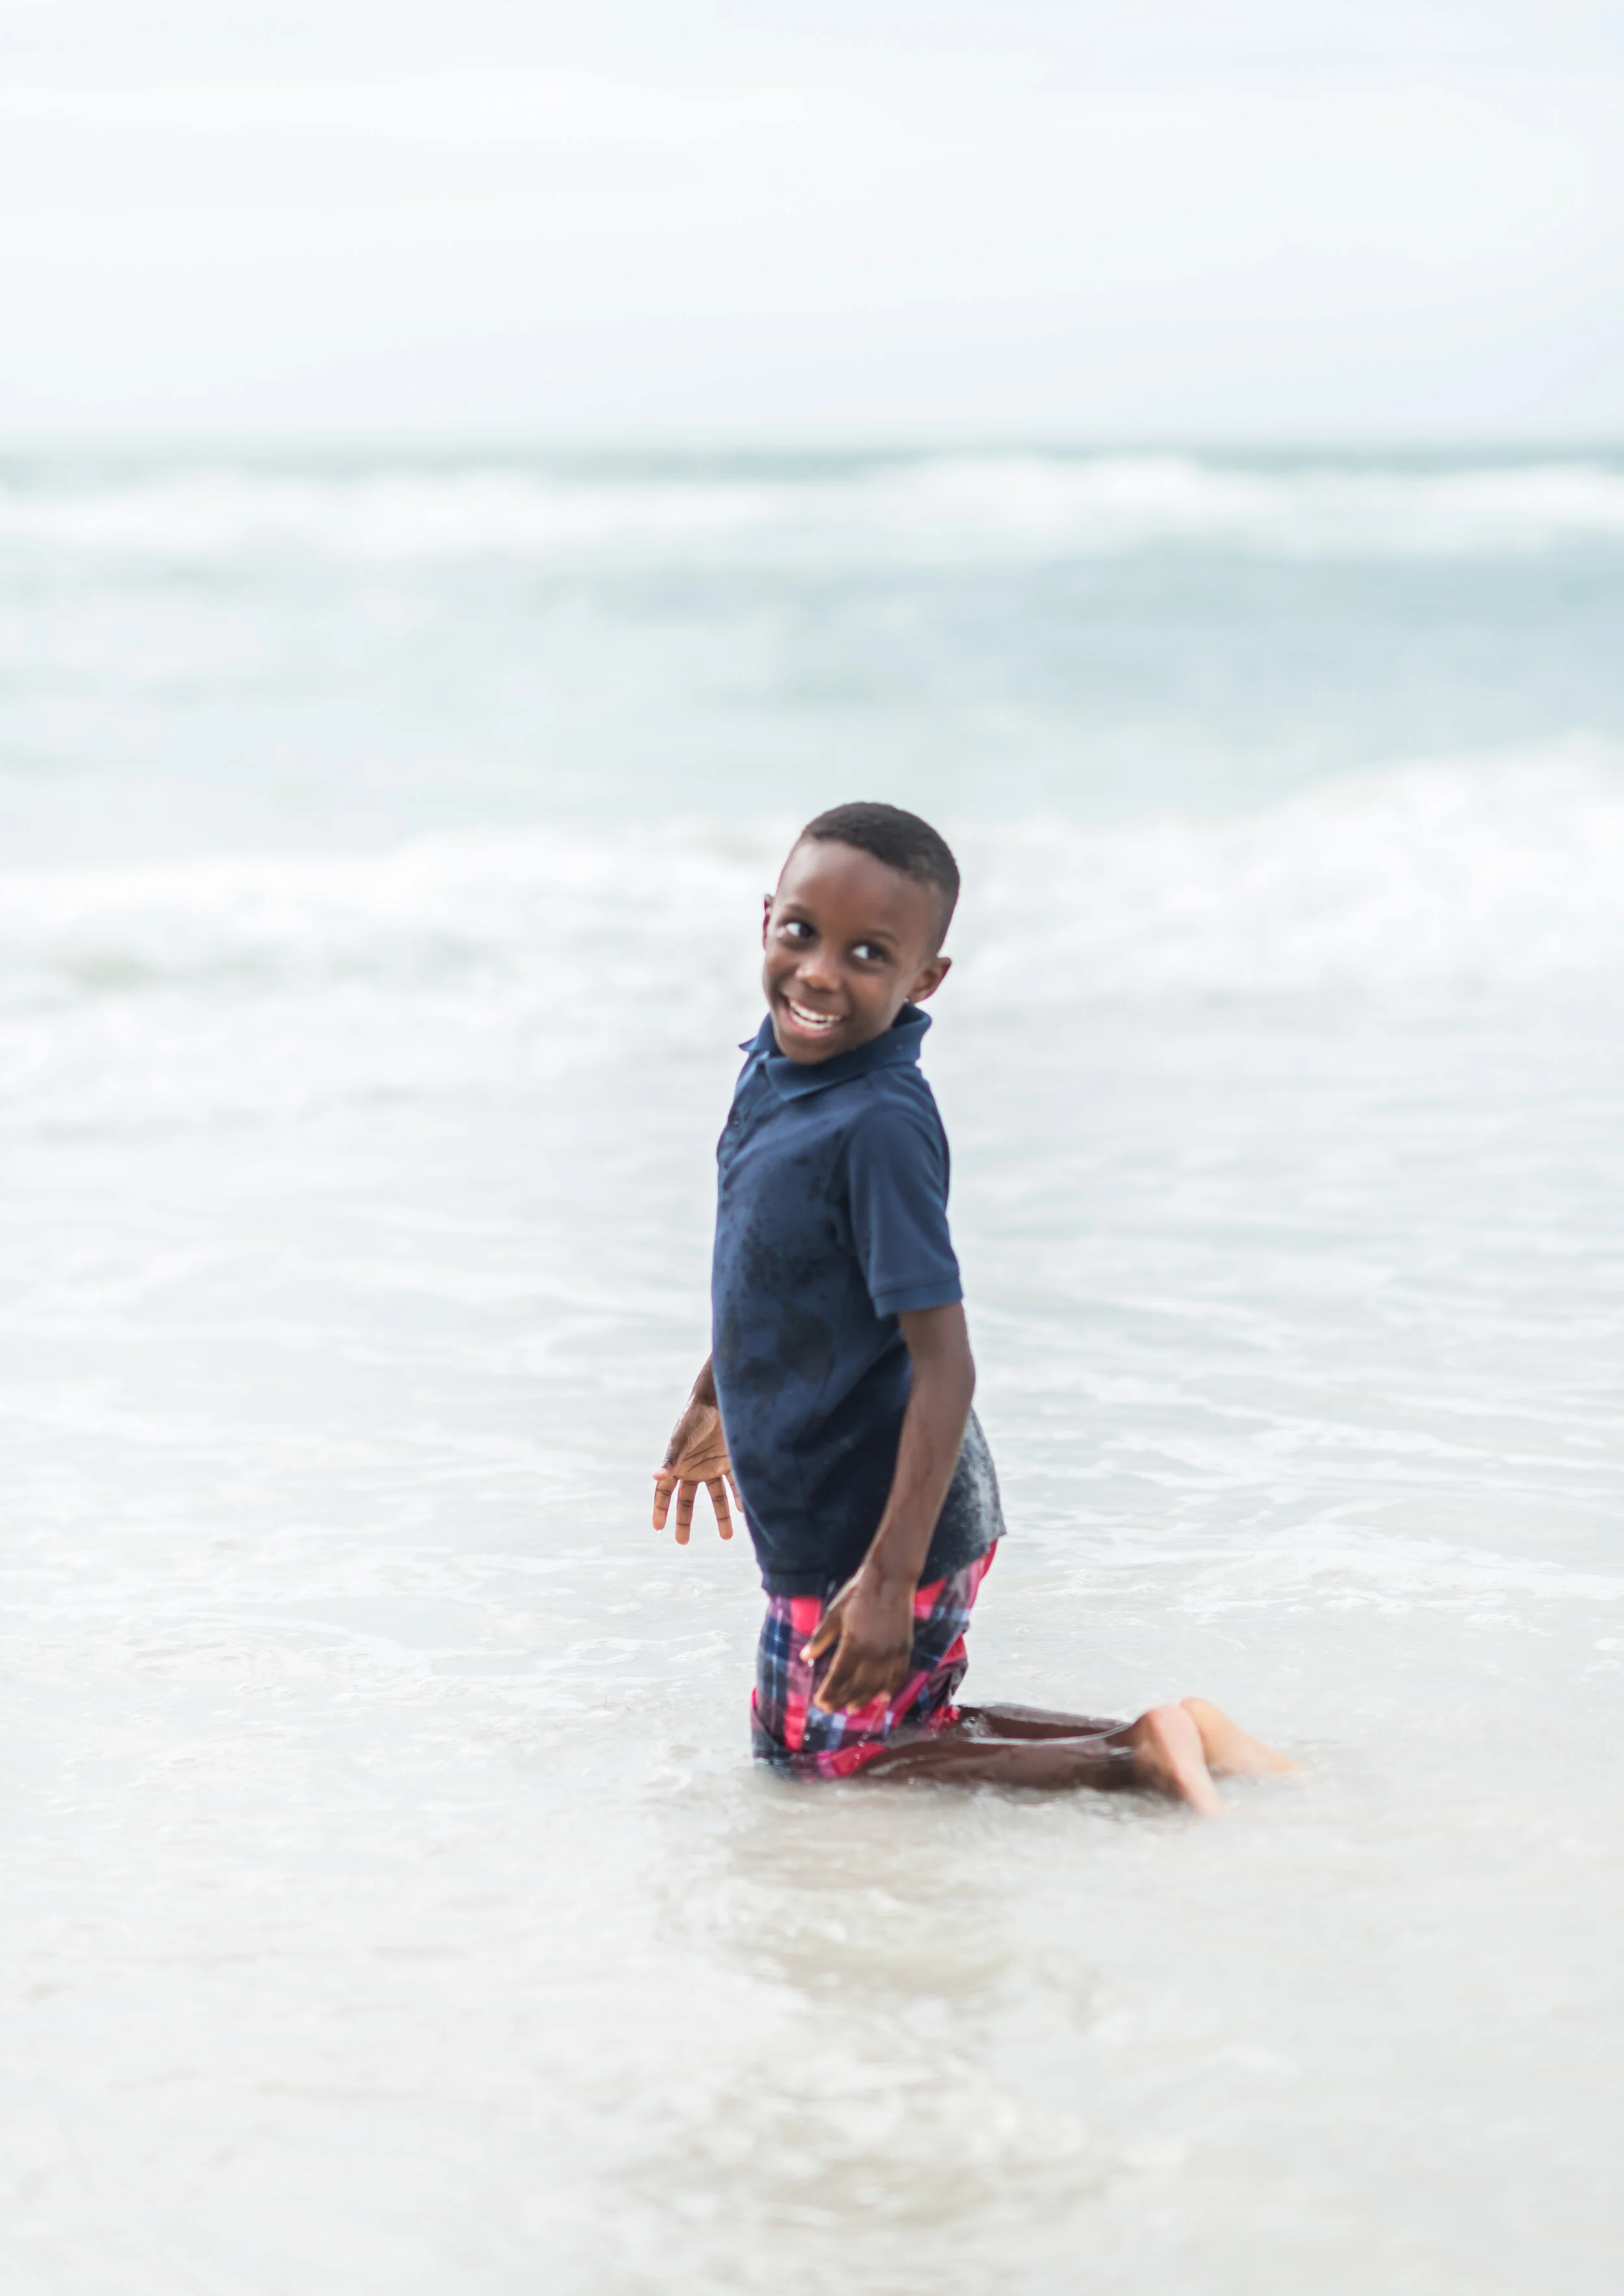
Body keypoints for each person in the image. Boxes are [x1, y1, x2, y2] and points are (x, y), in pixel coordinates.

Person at [652, 801, 1295, 1813]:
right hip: (868, 1505)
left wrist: (884, 1576)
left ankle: (1133, 1768)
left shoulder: (879, 1126)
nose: (820, 972)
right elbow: (771, 1268)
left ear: (925, 978)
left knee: (818, 1758)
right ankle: (1175, 1737)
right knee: (913, 1725)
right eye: (801, 932)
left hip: (877, 1516)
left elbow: (946, 1360)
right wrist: (714, 1394)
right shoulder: (775, 1069)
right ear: (766, 916)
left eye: (869, 953)